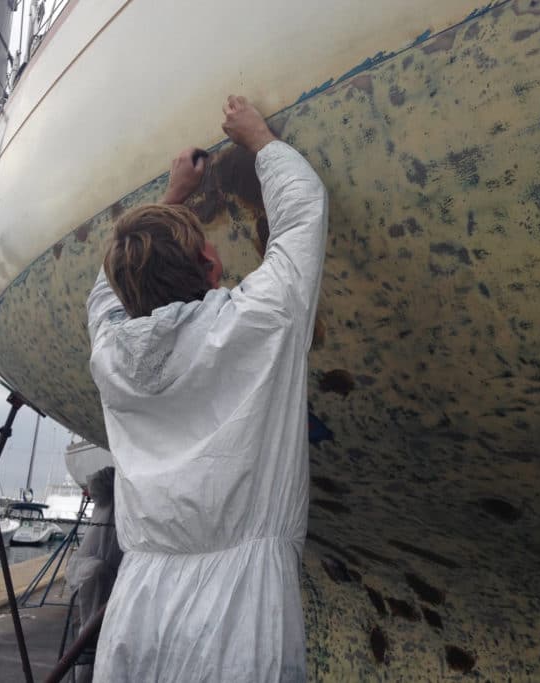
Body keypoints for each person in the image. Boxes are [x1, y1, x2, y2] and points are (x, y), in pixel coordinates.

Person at [85, 95, 328, 682]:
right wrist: (262, 142)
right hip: (242, 620)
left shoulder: (110, 356)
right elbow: (302, 216)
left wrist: (171, 199)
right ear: (211, 269)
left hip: (135, 612)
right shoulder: (258, 322)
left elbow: (104, 295)